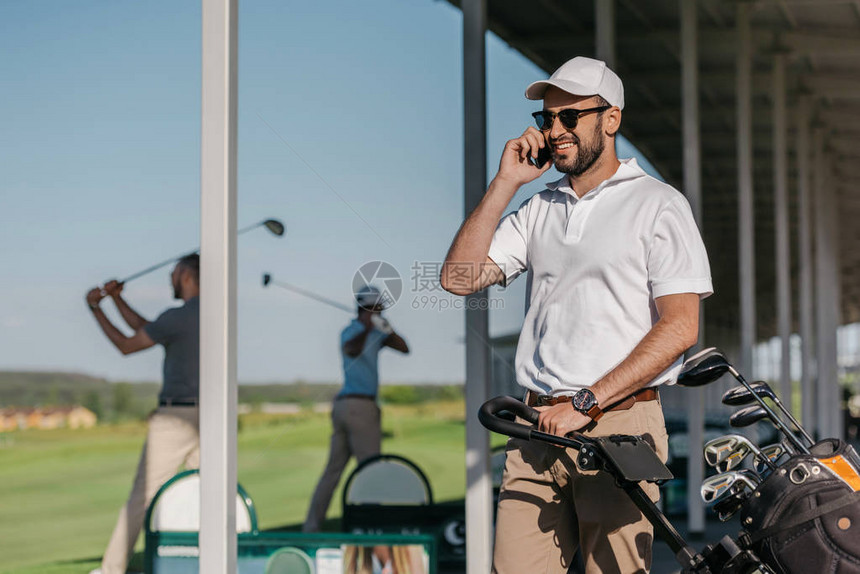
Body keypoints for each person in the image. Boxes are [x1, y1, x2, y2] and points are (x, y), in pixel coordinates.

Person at [440, 56, 712, 573]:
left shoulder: (659, 204)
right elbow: (458, 278)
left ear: (611, 119)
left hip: (620, 425)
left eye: (571, 118)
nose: (556, 131)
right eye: (548, 120)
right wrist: (505, 184)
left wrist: (586, 403)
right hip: (536, 428)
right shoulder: (539, 207)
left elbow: (680, 326)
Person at [85, 253, 201, 574]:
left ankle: (111, 570)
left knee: (142, 497)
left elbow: (126, 344)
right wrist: (118, 300)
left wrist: (96, 307)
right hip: (212, 418)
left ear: (188, 277)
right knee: (211, 492)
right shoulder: (207, 313)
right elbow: (150, 328)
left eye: (174, 274)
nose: (170, 279)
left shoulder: (179, 317)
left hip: (177, 418)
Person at [303, 286, 410, 532]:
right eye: (379, 307)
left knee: (334, 470)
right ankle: (367, 527)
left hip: (348, 407)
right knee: (369, 469)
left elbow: (404, 348)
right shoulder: (351, 331)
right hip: (357, 406)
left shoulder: (376, 333)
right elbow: (351, 349)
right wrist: (369, 326)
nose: (382, 311)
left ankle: (313, 527)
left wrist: (387, 328)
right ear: (368, 307)